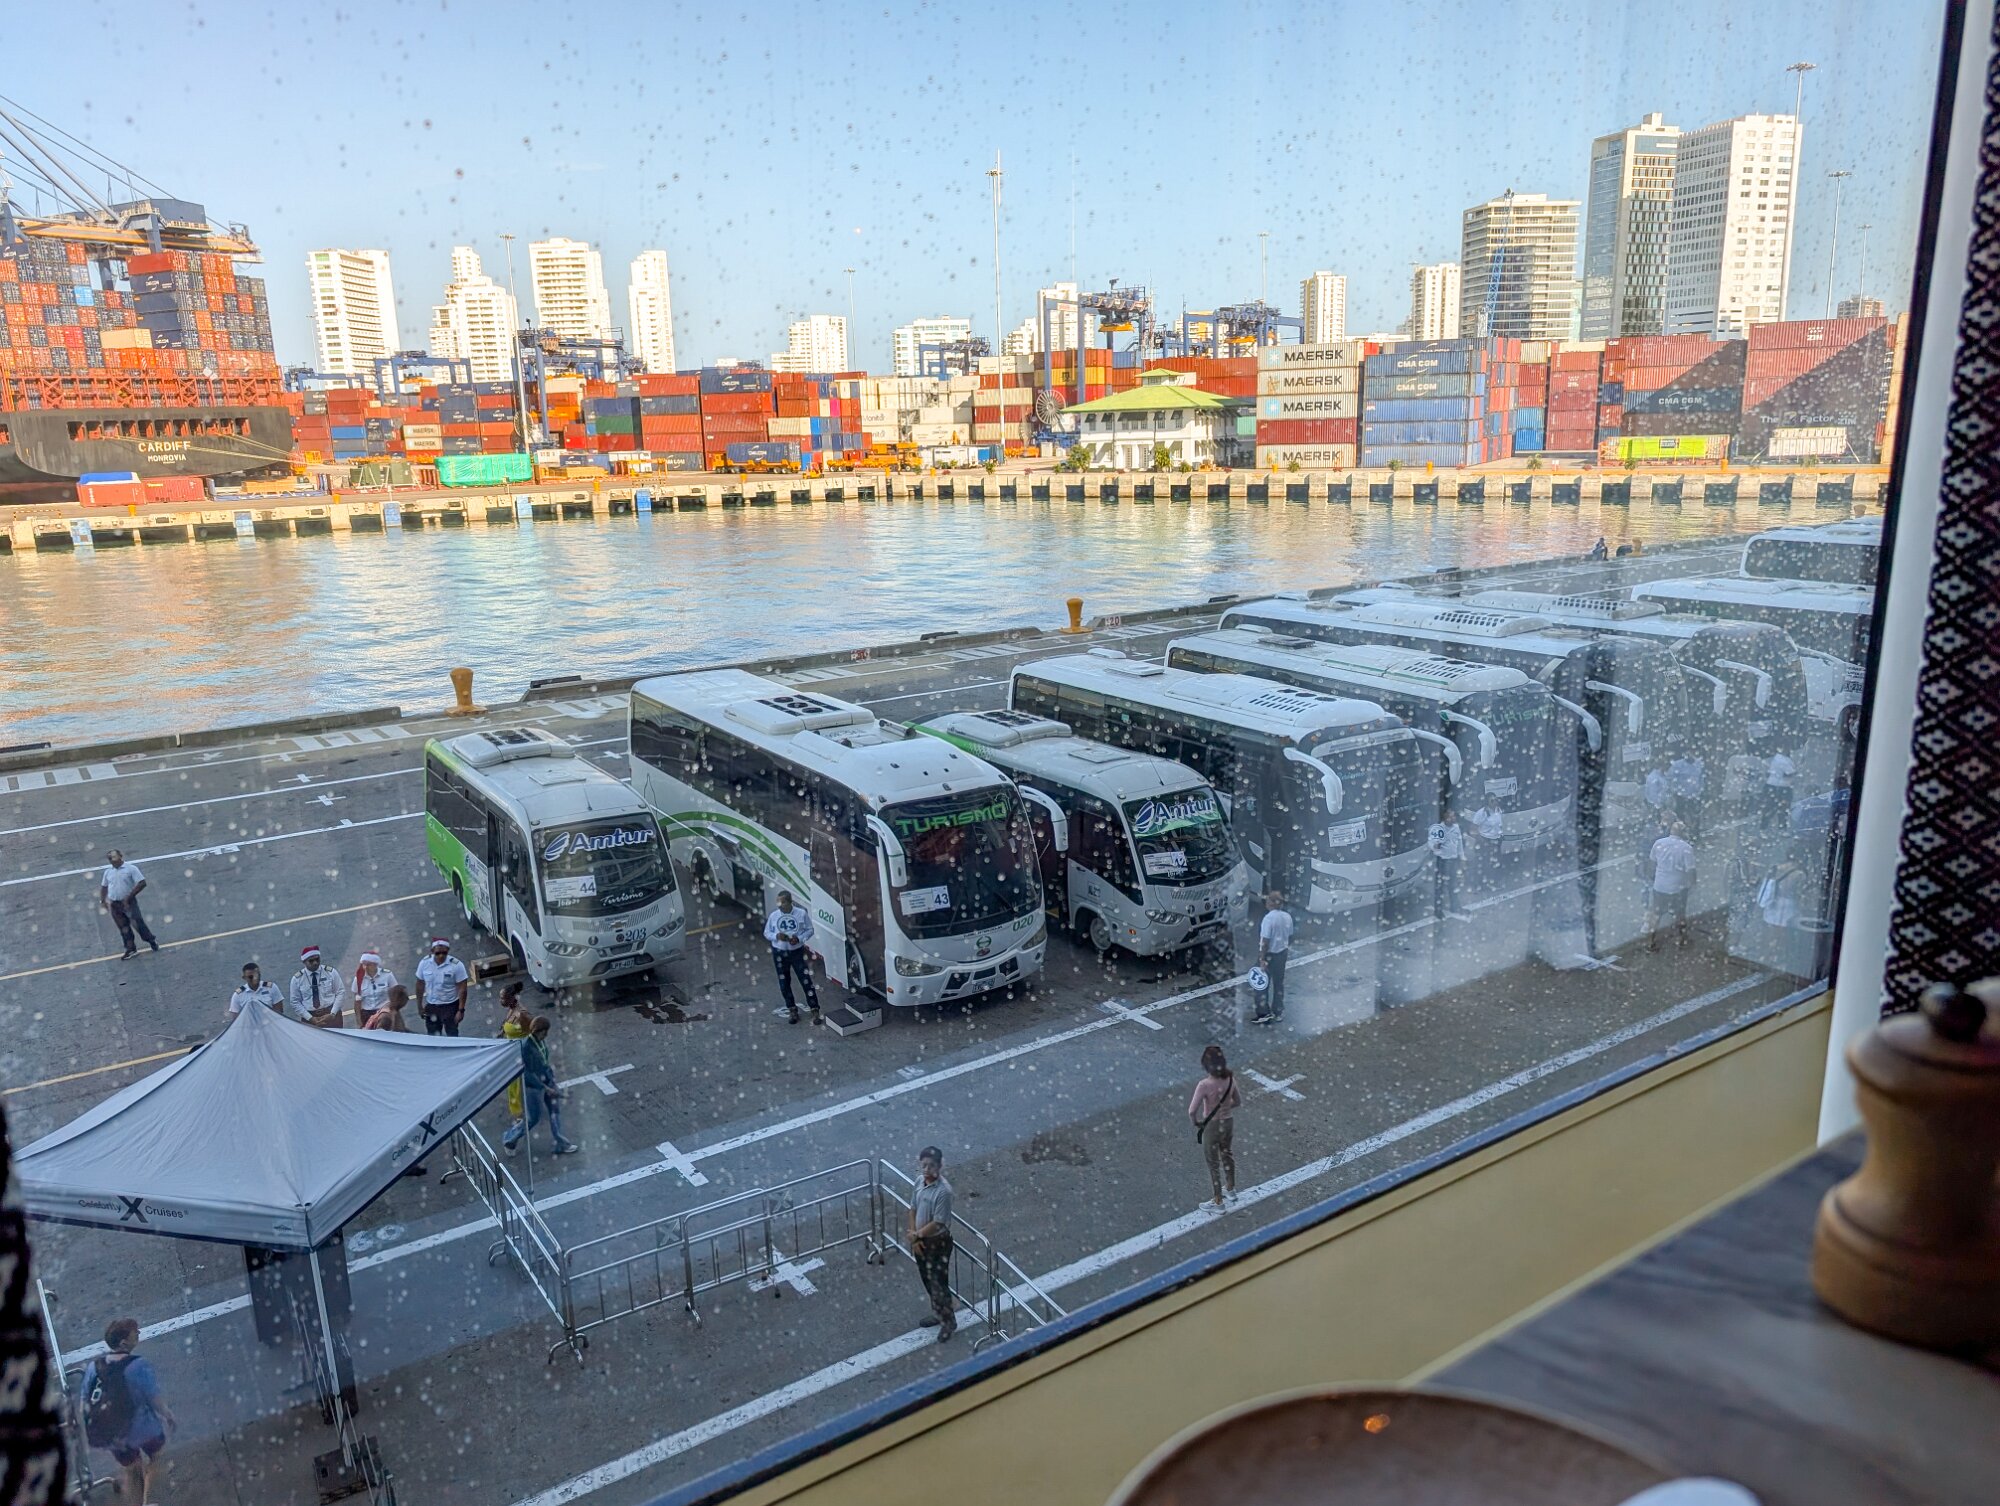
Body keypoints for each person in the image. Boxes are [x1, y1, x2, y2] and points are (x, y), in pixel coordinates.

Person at [81, 1317, 174, 1506]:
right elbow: (153, 1398)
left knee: (132, 1470)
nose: (138, 1334)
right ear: (124, 1343)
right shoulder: (138, 1365)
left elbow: (84, 1401)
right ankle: (148, 1501)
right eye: (135, 1333)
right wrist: (168, 1415)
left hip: (114, 1435)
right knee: (156, 1458)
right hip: (143, 1430)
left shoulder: (93, 1368)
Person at [502, 1017, 578, 1155]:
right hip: (533, 1087)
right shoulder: (526, 1047)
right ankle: (510, 1139)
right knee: (533, 1118)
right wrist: (545, 1087)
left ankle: (561, 1143)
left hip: (547, 1081)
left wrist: (551, 1081)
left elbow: (544, 1062)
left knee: (554, 1112)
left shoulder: (540, 1042)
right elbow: (527, 1073)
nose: (546, 1035)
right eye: (544, 1032)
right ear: (538, 1031)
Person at [910, 1145, 956, 1342]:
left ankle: (948, 1321)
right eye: (924, 1165)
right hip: (921, 1240)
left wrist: (917, 1235)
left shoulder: (943, 1191)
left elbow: (938, 1222)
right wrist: (914, 1235)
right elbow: (912, 1208)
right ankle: (938, 1312)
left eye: (931, 1166)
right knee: (928, 1280)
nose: (927, 1169)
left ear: (939, 1166)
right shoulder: (919, 1182)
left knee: (939, 1283)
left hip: (938, 1243)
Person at [1189, 1045, 1242, 1211]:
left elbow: (1192, 1110)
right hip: (1228, 1122)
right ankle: (1231, 1188)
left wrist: (1196, 1122)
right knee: (1227, 1154)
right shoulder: (1230, 1079)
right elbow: (1238, 1101)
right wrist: (1224, 1108)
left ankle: (1218, 1201)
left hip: (1212, 1126)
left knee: (1213, 1163)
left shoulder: (1204, 1085)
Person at [763, 890, 821, 1024]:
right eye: (778, 902)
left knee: (805, 980)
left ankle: (814, 1009)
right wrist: (776, 936)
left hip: (796, 952)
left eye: (782, 902)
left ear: (790, 902)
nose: (779, 905)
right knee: (784, 982)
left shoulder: (801, 914)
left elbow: (810, 930)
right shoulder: (774, 916)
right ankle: (792, 1009)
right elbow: (767, 932)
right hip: (779, 952)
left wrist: (799, 938)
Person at [98, 849, 158, 960]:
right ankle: (130, 949)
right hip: (114, 904)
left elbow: (142, 883)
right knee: (123, 928)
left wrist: (129, 897)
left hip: (129, 903)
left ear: (121, 856)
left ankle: (150, 940)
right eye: (110, 858)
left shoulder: (131, 869)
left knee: (138, 924)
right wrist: (103, 900)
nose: (112, 860)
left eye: (114, 857)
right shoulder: (108, 872)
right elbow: (104, 886)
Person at [1647, 821, 1697, 950]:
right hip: (1678, 887)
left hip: (1660, 886)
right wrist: (1692, 884)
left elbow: (1652, 863)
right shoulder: (1686, 848)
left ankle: (1651, 941)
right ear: (1683, 833)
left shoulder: (1658, 843)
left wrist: (1653, 878)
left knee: (1656, 913)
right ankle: (1681, 940)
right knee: (1679, 914)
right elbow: (1690, 870)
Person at [414, 937, 469, 1037]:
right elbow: (420, 984)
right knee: (433, 1037)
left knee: (452, 1035)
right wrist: (419, 1006)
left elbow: (463, 988)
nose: (441, 955)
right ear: (432, 951)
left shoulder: (456, 965)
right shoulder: (424, 963)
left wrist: (461, 1010)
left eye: (444, 953)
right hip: (432, 1006)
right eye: (438, 953)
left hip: (450, 1006)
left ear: (448, 950)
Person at [1254, 890, 1293, 1024]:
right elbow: (1290, 935)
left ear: (1270, 903)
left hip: (1269, 955)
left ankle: (1263, 1013)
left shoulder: (1268, 919)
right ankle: (1278, 1011)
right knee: (1278, 983)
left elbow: (1265, 941)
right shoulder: (1287, 917)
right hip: (1282, 954)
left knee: (1261, 984)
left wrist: (1262, 959)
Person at [499, 980, 533, 1124]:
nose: (501, 1001)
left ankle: (521, 1113)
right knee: (514, 1084)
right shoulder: (511, 1010)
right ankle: (519, 1111)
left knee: (519, 1083)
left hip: (521, 1052)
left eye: (503, 998)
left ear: (512, 998)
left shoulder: (522, 1014)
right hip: (512, 1052)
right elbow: (507, 1025)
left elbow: (531, 1031)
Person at [287, 945, 345, 1027]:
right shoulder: (297, 979)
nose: (315, 963)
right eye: (311, 961)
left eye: (317, 959)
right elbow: (295, 1002)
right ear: (304, 962)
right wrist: (310, 1018)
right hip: (309, 1017)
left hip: (331, 1014)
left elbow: (340, 992)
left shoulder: (330, 973)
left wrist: (333, 1013)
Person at [1427, 809, 1468, 919]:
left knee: (1453, 884)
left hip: (1453, 860)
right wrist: (1435, 846)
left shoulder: (1456, 828)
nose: (1453, 818)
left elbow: (1459, 844)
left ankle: (1454, 906)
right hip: (1442, 861)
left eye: (1454, 816)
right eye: (1450, 816)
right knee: (1440, 886)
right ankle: (1438, 910)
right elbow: (1431, 843)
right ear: (1445, 818)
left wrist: (1462, 858)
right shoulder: (1438, 829)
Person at [351, 948, 398, 1029]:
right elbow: (357, 1001)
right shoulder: (358, 980)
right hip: (366, 1013)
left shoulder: (387, 975)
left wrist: (393, 1010)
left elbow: (396, 993)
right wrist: (359, 1021)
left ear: (375, 964)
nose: (366, 967)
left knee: (383, 1024)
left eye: (368, 964)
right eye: (364, 964)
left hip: (384, 1011)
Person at [1667, 752, 1707, 840]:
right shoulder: (1677, 765)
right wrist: (1675, 791)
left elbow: (1701, 778)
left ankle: (1695, 835)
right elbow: (1670, 778)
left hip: (1695, 796)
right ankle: (1680, 835)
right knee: (1680, 816)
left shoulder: (1699, 764)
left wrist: (1701, 790)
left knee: (1695, 817)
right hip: (1681, 796)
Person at [1763, 745, 1798, 830]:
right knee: (1777, 808)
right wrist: (1796, 771)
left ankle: (1767, 826)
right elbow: (1789, 773)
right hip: (1779, 787)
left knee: (1776, 808)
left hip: (1777, 786)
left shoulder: (1782, 759)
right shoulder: (1781, 760)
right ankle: (1769, 827)